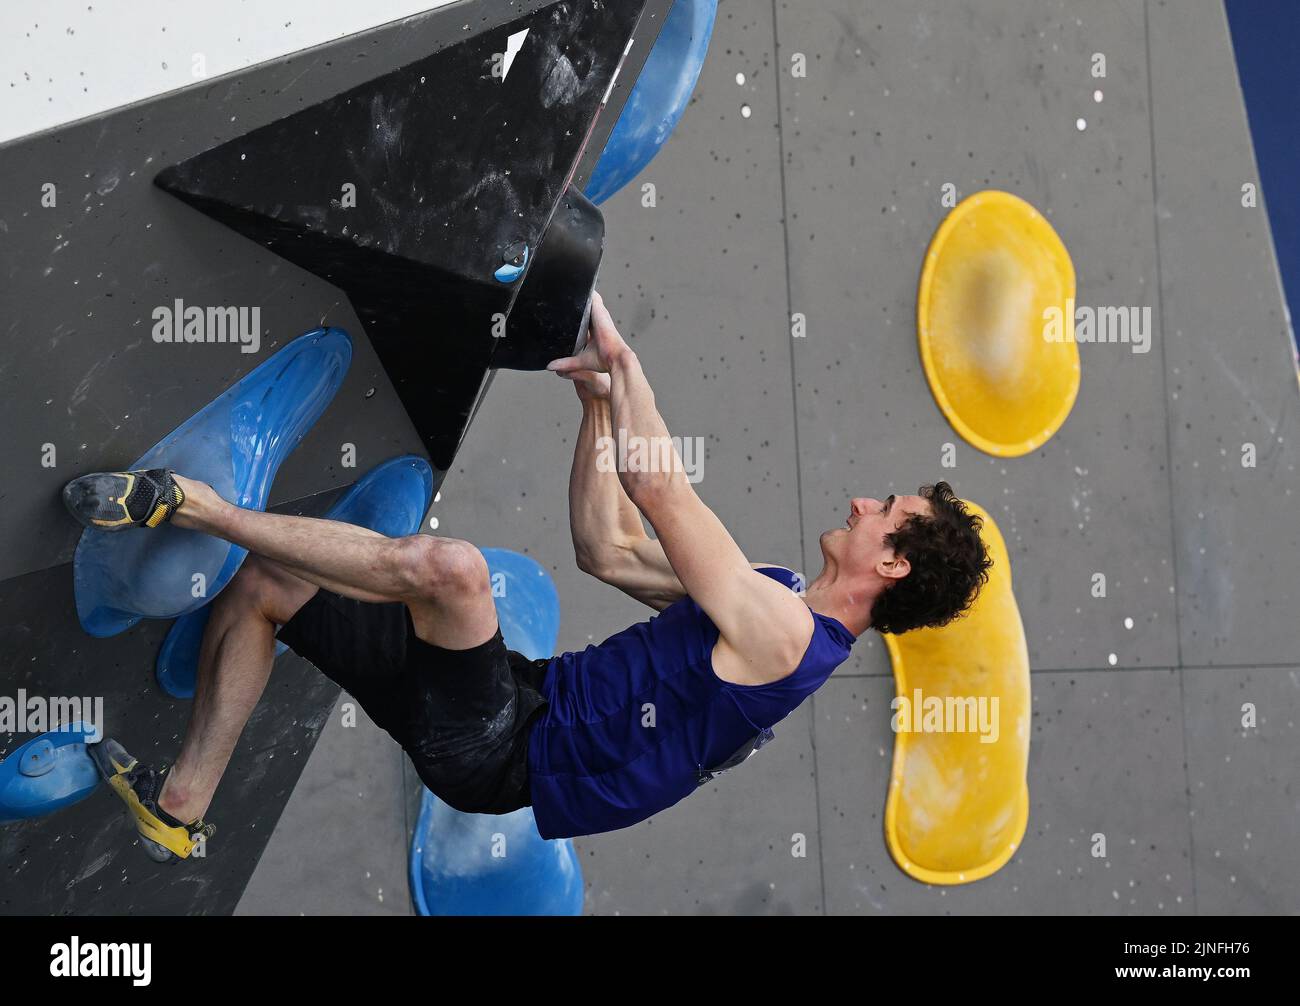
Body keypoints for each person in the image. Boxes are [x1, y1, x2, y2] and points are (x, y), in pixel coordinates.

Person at [62, 292, 991, 861]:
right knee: (268, 584)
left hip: (507, 751)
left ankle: (189, 506)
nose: (866, 502)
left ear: (893, 563)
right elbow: (609, 546)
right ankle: (179, 807)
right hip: (514, 703)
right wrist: (596, 404)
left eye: (888, 513)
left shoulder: (787, 639)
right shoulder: (778, 597)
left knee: (453, 573)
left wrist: (629, 368)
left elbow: (657, 484)